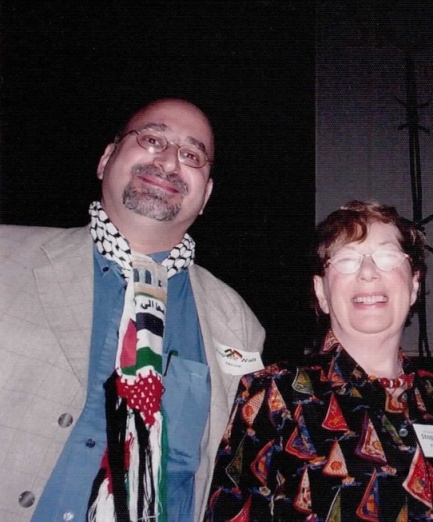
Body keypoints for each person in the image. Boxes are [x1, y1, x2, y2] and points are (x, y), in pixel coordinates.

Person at [0, 98, 266, 521]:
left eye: (192, 155)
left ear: (207, 194)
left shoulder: (238, 325)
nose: (169, 161)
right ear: (107, 158)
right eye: (152, 139)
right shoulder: (6, 258)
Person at [205, 200, 433, 521]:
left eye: (386, 257)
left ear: (413, 286)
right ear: (322, 292)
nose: (368, 272)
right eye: (347, 260)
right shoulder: (273, 396)